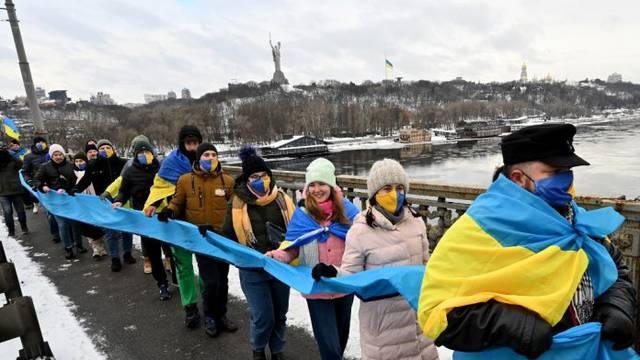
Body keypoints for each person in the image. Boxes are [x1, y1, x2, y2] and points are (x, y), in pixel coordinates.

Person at [418, 124, 636, 358]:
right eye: (556, 172)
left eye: (569, 170)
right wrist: (511, 324)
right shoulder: (479, 229)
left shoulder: (573, 218)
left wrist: (616, 304)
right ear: (519, 178)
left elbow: (614, 266)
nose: (568, 181)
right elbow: (436, 314)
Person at [314, 159, 438, 360]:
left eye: (399, 188)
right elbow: (352, 277)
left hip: (419, 322)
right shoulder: (360, 230)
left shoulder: (416, 222)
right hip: (384, 329)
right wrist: (333, 273)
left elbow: (426, 266)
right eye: (387, 188)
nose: (395, 194)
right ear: (374, 194)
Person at [267, 158, 359, 360]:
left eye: (322, 184)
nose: (317, 189)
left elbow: (364, 245)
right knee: (329, 346)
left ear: (332, 186)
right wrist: (276, 256)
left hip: (344, 286)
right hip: (317, 289)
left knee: (341, 339)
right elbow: (292, 249)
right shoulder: (302, 217)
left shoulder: (350, 213)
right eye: (312, 185)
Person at [222, 146, 295, 360]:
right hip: (252, 268)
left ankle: (278, 350)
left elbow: (297, 230)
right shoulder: (236, 204)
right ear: (247, 179)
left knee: (280, 314)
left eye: (264, 175)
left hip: (280, 266)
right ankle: (258, 349)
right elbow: (227, 235)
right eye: (255, 176)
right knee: (263, 315)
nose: (261, 180)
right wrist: (210, 232)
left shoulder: (282, 199)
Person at [158, 143, 238, 336]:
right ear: (198, 158)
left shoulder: (227, 181)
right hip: (201, 239)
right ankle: (210, 316)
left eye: (213, 154)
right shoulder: (186, 180)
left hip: (221, 239)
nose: (210, 158)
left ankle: (222, 315)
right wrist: (169, 210)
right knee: (210, 282)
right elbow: (177, 201)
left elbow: (234, 208)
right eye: (206, 155)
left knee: (222, 281)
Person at [143, 125, 202, 326]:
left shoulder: (207, 161)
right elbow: (159, 186)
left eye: (196, 143)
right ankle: (190, 307)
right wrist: (153, 203)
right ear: (182, 144)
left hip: (203, 225)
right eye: (189, 143)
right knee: (184, 267)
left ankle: (211, 305)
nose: (193, 147)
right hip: (178, 221)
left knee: (206, 267)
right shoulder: (171, 163)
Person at [111, 135, 170, 300]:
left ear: (152, 152)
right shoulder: (130, 171)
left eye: (147, 151)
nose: (144, 154)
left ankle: (175, 276)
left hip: (163, 215)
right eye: (140, 151)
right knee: (154, 253)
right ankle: (162, 284)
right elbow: (123, 191)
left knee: (170, 250)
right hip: (144, 218)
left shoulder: (162, 168)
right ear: (135, 154)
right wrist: (118, 201)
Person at [73, 138, 131, 271]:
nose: (105, 150)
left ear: (113, 149)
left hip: (123, 199)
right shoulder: (93, 164)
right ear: (98, 151)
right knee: (111, 231)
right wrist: (76, 189)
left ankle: (127, 253)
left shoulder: (123, 163)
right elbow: (85, 180)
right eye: (102, 148)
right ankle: (115, 258)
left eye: (108, 147)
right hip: (104, 201)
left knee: (127, 229)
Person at [33, 144, 85, 259]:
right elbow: (36, 179)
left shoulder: (71, 166)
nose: (58, 157)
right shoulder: (45, 167)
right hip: (55, 201)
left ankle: (79, 244)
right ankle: (68, 248)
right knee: (63, 225)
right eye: (55, 155)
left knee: (75, 223)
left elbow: (78, 180)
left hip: (70, 199)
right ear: (51, 156)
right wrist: (42, 187)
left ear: (63, 155)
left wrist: (71, 189)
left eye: (60, 154)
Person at [73, 152, 107, 259]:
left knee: (97, 225)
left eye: (81, 161)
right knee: (87, 226)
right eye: (77, 161)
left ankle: (101, 246)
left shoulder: (91, 171)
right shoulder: (72, 173)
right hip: (81, 203)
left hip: (94, 201)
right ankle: (96, 249)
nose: (79, 163)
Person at [0, 146, 28, 236]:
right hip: (2, 192)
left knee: (20, 211)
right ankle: (11, 230)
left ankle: (24, 227)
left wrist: (10, 155)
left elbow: (21, 164)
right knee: (7, 212)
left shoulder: (12, 162)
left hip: (16, 190)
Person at [22, 136, 49, 216]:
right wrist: (29, 180)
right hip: (36, 180)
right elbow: (25, 171)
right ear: (35, 144)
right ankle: (35, 204)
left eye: (42, 142)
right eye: (38, 142)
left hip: (50, 181)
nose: (41, 144)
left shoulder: (50, 153)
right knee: (34, 196)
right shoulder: (28, 156)